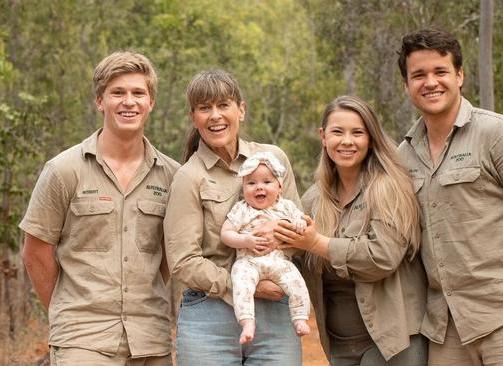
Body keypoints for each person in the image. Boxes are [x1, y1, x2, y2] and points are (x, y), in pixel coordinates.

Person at [396, 27, 503, 365]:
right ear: (407, 85)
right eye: (418, 75)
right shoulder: (403, 155)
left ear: (459, 76)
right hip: (446, 332)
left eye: (440, 72)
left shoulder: (498, 134)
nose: (430, 82)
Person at [19, 51, 179, 365]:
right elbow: (35, 251)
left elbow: (168, 254)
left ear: (151, 103)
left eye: (138, 93)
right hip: (83, 341)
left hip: (150, 340)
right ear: (99, 101)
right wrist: (69, 313)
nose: (128, 102)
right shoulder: (64, 170)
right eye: (117, 92)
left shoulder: (172, 176)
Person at [275, 95, 428, 365]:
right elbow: (297, 262)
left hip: (391, 343)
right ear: (323, 136)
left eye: (357, 132)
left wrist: (316, 243)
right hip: (338, 345)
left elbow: (382, 257)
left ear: (370, 138)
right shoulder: (313, 199)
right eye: (337, 132)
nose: (347, 141)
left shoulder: (388, 188)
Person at [163, 69, 303, 366]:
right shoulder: (189, 177)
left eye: (223, 105)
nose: (215, 116)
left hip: (277, 314)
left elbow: (299, 232)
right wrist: (243, 285)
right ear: (194, 117)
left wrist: (278, 235)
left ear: (241, 109)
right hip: (209, 317)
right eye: (204, 108)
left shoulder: (273, 159)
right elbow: (182, 261)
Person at [221, 151, 311, 345]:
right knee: (240, 283)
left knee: (297, 282)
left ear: (280, 186)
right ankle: (247, 322)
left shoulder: (287, 207)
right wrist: (244, 240)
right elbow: (226, 233)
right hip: (248, 261)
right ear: (243, 188)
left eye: (267, 182)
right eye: (251, 183)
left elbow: (301, 220)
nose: (259, 187)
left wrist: (300, 223)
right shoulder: (241, 209)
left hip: (278, 261)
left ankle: (300, 317)